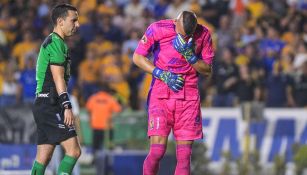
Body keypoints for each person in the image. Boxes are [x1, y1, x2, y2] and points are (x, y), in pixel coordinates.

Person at [133, 11, 214, 175]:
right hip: (161, 93)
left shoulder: (204, 34)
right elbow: (137, 57)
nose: (184, 38)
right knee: (157, 151)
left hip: (188, 97)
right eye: (182, 34)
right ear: (175, 22)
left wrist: (190, 56)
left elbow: (207, 70)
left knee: (184, 156)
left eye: (188, 35)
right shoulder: (157, 28)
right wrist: (160, 74)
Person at [31, 4, 81, 175]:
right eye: (73, 20)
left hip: (43, 103)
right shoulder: (56, 43)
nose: (77, 24)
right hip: (50, 104)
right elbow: (58, 77)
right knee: (74, 151)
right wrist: (66, 105)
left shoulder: (56, 42)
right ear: (60, 21)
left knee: (43, 158)